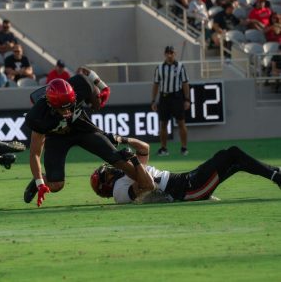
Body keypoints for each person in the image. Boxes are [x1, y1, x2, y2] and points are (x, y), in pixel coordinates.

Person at [22, 68, 155, 207]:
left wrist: (102, 90)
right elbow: (35, 154)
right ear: (51, 105)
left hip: (82, 128)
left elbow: (95, 97)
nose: (67, 112)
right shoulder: (37, 117)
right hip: (56, 138)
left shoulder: (82, 85)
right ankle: (39, 180)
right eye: (63, 109)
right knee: (56, 185)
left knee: (117, 158)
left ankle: (149, 187)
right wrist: (40, 183)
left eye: (70, 106)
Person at [90, 138, 281, 205]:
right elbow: (147, 185)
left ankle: (276, 174)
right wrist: (132, 160)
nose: (110, 170)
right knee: (231, 155)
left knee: (234, 159)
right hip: (186, 190)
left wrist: (121, 139)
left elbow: (144, 149)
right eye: (106, 174)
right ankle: (276, 175)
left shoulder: (125, 173)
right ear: (105, 186)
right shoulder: (119, 193)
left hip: (186, 181)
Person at [150, 46, 190, 156]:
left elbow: (185, 84)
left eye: (171, 53)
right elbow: (156, 84)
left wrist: (187, 99)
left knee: (181, 122)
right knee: (163, 124)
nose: (169, 55)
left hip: (177, 97)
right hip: (164, 98)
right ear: (164, 54)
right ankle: (163, 148)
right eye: (167, 53)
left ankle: (184, 147)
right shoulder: (159, 68)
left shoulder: (180, 67)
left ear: (175, 53)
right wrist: (153, 100)